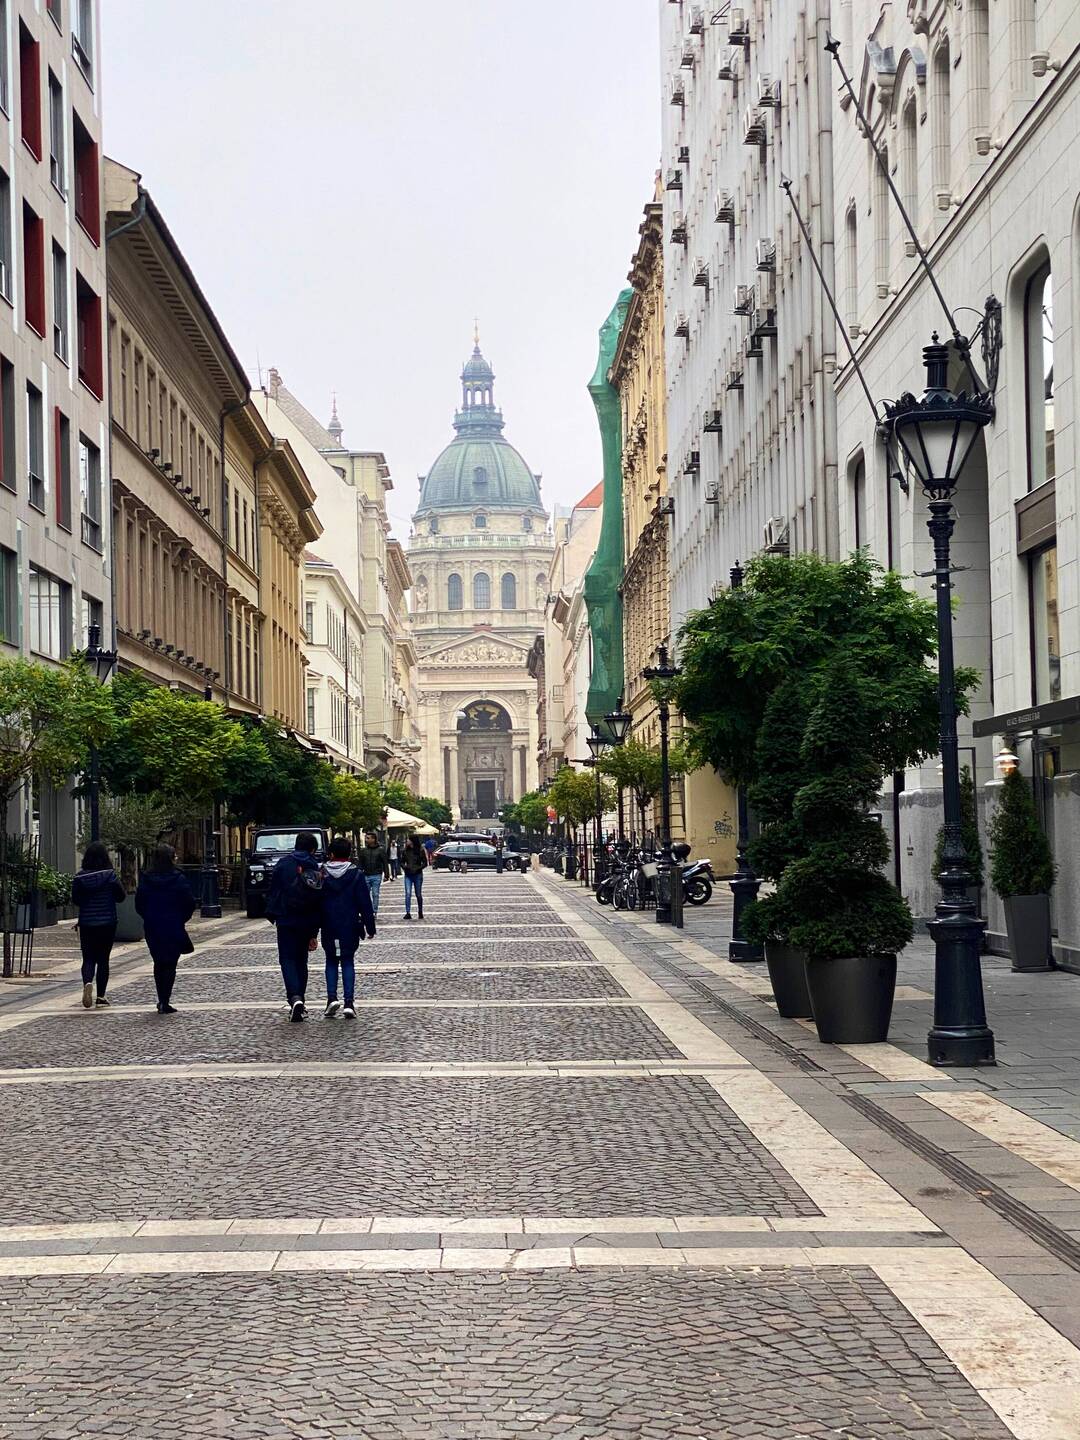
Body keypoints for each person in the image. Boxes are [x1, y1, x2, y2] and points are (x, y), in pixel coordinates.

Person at [266, 831, 322, 1022]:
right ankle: (301, 999)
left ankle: (295, 998)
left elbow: (273, 889)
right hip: (307, 919)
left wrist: (273, 913)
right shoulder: (313, 865)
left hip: (286, 918)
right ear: (312, 849)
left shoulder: (283, 863)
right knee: (301, 960)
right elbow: (317, 897)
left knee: (287, 959)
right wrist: (315, 931)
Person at [135, 844, 196, 1015]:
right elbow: (189, 903)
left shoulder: (146, 879)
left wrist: (148, 916)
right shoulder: (179, 878)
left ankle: (161, 999)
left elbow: (139, 903)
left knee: (158, 961)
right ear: (170, 858)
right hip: (173, 925)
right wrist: (181, 918)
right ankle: (164, 1000)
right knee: (170, 963)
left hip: (153, 925)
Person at [320, 837, 377, 1017]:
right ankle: (349, 1003)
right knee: (347, 961)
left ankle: (331, 999)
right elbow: (364, 902)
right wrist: (370, 926)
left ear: (332, 853)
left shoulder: (322, 873)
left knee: (330, 960)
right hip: (349, 924)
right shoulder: (356, 874)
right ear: (348, 853)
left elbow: (316, 901)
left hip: (328, 923)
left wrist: (313, 927)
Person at [71, 842, 126, 1010]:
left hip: (87, 922)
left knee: (88, 958)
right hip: (107, 922)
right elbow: (120, 896)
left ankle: (88, 982)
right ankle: (101, 996)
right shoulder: (110, 876)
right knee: (103, 959)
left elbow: (75, 900)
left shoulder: (80, 878)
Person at [358, 830, 389, 916]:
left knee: (375, 894)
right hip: (366, 875)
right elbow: (360, 863)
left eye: (368, 838)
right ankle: (368, 910)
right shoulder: (364, 851)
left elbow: (385, 862)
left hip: (377, 875)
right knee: (365, 894)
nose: (366, 839)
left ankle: (374, 911)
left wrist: (386, 874)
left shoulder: (380, 850)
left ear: (373, 839)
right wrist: (359, 874)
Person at [401, 835, 428, 920]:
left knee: (418, 894)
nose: (407, 842)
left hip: (417, 874)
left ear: (412, 841)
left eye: (408, 840)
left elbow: (425, 863)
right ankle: (408, 912)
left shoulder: (420, 850)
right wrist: (405, 867)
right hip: (408, 875)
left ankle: (420, 911)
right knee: (408, 894)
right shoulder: (405, 851)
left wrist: (418, 868)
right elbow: (401, 862)